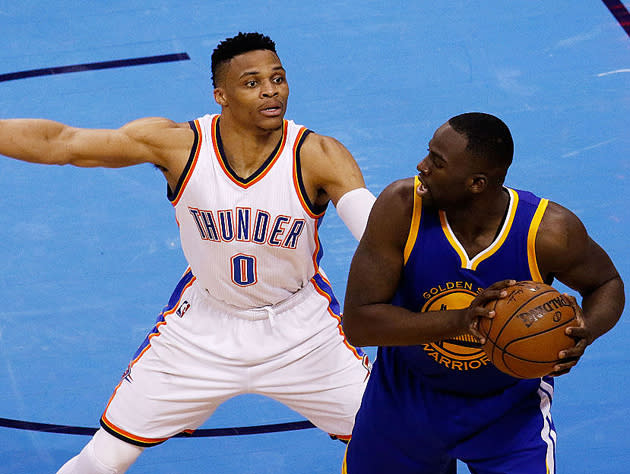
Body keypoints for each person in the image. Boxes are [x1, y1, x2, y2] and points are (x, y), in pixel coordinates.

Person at [0, 32, 375, 473]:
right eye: (252, 83)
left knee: (393, 438)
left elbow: (378, 235)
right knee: (104, 459)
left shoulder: (319, 155)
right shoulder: (180, 145)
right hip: (201, 329)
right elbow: (63, 143)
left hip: (303, 330)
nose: (271, 90)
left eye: (278, 78)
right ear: (221, 95)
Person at [341, 112, 624, 474]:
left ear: (477, 183)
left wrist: (587, 329)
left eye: (437, 163)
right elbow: (361, 323)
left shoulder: (548, 231)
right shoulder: (401, 207)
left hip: (507, 409)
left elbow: (606, 284)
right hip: (405, 399)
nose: (421, 166)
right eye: (429, 154)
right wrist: (465, 319)